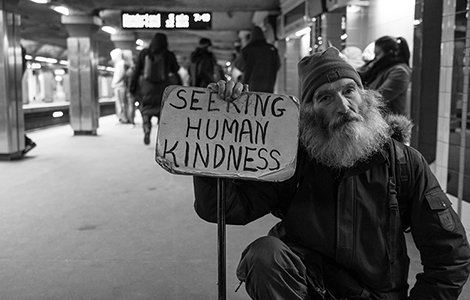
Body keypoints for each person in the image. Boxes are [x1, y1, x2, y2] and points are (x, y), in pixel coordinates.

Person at [193, 47, 470, 300]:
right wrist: (219, 128)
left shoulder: (404, 164)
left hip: (375, 296)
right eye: (325, 97)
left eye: (349, 90)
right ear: (310, 112)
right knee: (264, 255)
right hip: (307, 290)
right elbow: (223, 208)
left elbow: (450, 254)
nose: (343, 105)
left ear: (365, 96)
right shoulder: (292, 161)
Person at [129, 33, 180, 145]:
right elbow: (176, 69)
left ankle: (147, 129)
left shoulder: (144, 53)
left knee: (146, 110)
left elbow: (136, 71)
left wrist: (132, 86)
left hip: (147, 88)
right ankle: (161, 138)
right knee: (162, 112)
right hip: (163, 88)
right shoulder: (168, 54)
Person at [358, 36, 412, 116]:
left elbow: (379, 99)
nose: (375, 58)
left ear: (389, 53)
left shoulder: (400, 72)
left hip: (390, 124)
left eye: (378, 54)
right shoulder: (381, 68)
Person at [233, 26, 281, 93]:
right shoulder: (272, 50)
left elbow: (239, 65)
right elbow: (278, 66)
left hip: (250, 88)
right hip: (269, 87)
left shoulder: (247, 50)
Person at [110, 48, 130, 124]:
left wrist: (114, 83)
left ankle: (123, 118)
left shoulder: (120, 64)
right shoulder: (122, 63)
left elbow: (120, 75)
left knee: (121, 103)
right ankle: (124, 117)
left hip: (119, 86)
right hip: (121, 86)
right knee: (122, 103)